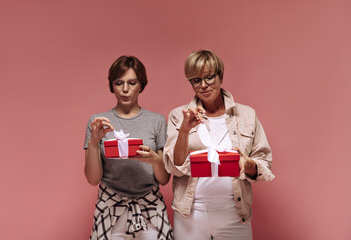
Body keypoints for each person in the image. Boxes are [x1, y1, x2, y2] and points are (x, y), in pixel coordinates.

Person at [163, 50, 275, 240]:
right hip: (191, 214)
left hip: (234, 214)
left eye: (209, 77)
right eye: (196, 80)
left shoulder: (247, 115)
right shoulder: (179, 115)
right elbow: (175, 167)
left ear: (220, 75)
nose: (203, 85)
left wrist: (248, 165)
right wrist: (183, 130)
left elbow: (264, 162)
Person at [84, 56, 173, 240]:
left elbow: (164, 179)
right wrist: (94, 143)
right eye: (119, 83)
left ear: (141, 85)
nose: (125, 89)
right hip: (110, 205)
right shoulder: (97, 122)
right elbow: (93, 179)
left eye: (132, 83)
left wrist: (154, 160)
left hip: (150, 205)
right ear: (112, 86)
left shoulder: (157, 121)